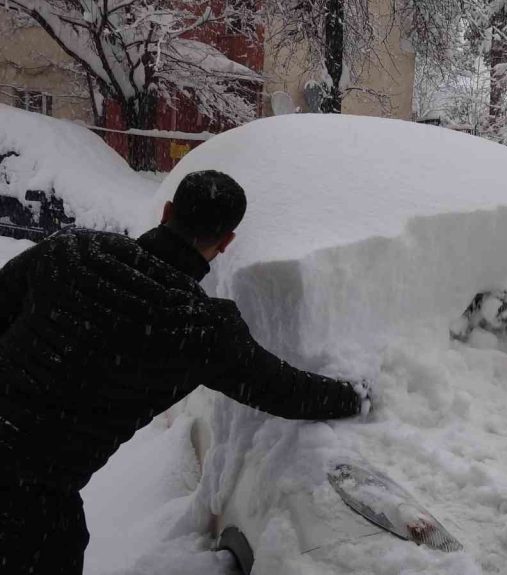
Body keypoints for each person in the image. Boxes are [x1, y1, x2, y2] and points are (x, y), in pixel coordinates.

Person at [0, 171, 369, 574]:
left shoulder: (71, 250)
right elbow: (285, 390)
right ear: (226, 242)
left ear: (167, 211)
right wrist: (358, 395)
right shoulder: (200, 329)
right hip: (29, 506)